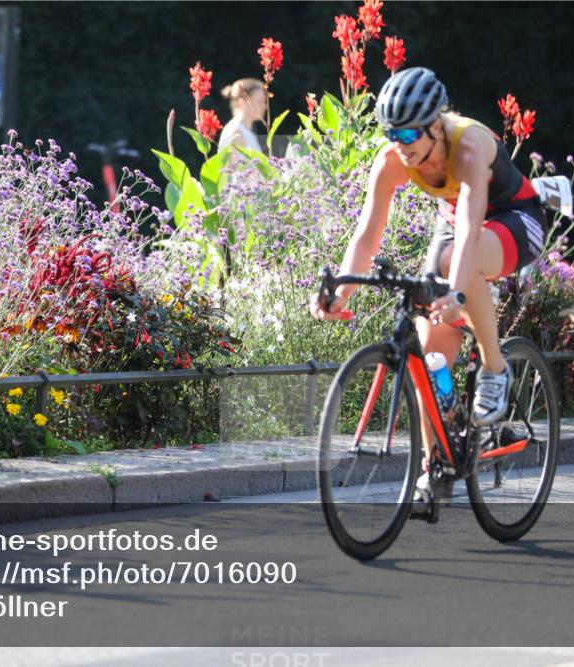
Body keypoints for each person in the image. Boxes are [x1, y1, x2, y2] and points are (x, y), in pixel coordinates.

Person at [308, 66, 547, 502]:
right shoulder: (392, 160)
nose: (399, 145)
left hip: (514, 219)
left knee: (456, 265)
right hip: (456, 226)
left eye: (407, 134)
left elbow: (470, 230)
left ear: (436, 126)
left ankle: (495, 368)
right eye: (390, 134)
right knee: (429, 350)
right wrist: (341, 292)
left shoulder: (468, 149)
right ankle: (436, 464)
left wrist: (456, 294)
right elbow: (368, 232)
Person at [217, 78, 266, 153]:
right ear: (242, 103)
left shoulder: (246, 132)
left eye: (264, 101)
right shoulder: (236, 134)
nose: (264, 106)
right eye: (260, 102)